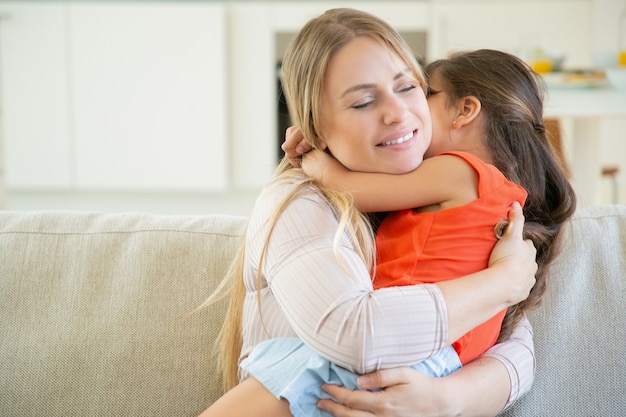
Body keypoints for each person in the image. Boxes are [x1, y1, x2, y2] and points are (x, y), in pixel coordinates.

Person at [199, 9, 541, 417]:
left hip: (404, 378)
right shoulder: (299, 200)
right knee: (297, 371)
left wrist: (444, 399)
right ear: (315, 128)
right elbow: (358, 338)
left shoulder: (437, 196)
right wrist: (503, 281)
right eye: (362, 102)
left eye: (410, 88)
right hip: (333, 386)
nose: (398, 113)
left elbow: (516, 347)